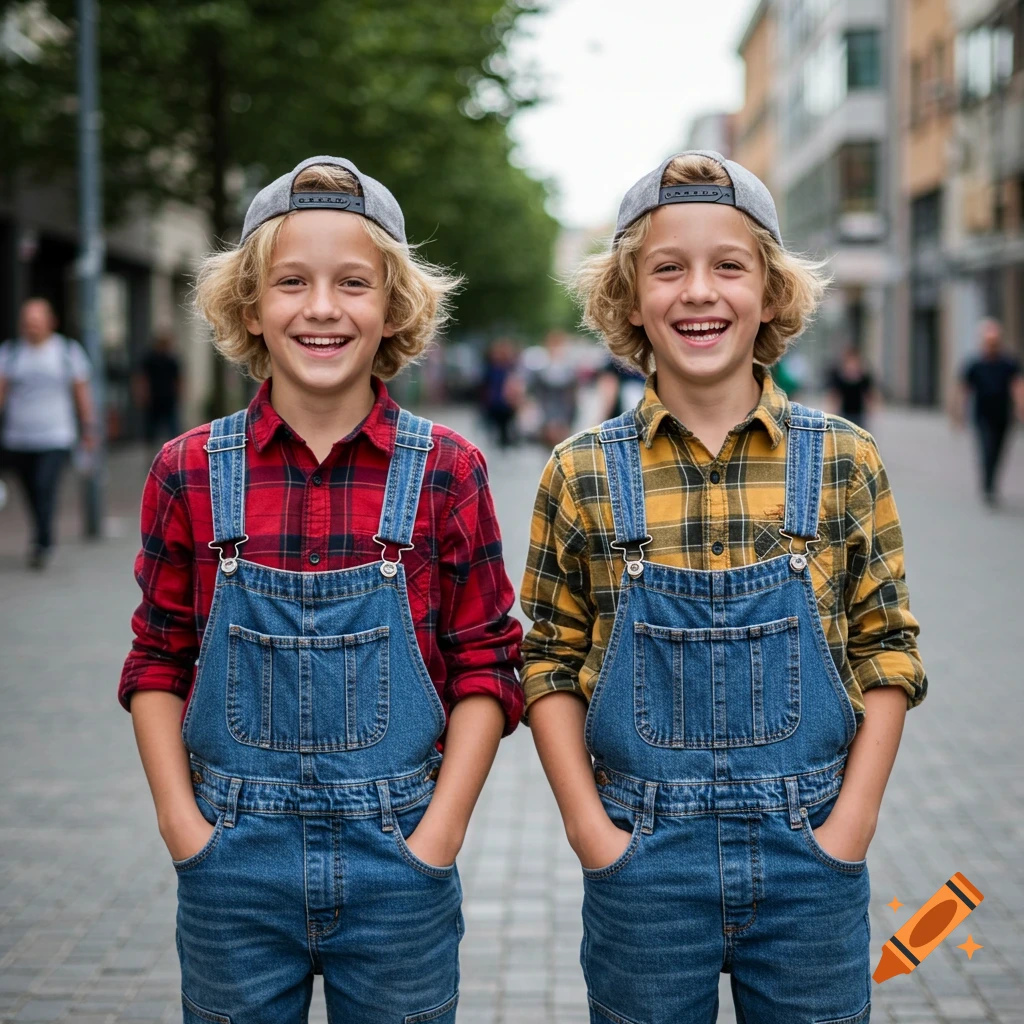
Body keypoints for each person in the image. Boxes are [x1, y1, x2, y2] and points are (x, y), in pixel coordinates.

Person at [520, 152, 927, 1024]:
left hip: (809, 858)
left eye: (728, 266)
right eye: (668, 268)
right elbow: (547, 661)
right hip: (643, 863)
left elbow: (887, 648)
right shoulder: (581, 472)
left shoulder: (844, 460)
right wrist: (594, 836)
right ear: (630, 298)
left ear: (771, 292)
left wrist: (847, 831)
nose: (698, 291)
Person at [119, 157, 524, 1023]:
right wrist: (182, 829)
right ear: (251, 307)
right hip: (233, 863)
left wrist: (438, 838)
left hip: (399, 863)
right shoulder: (188, 470)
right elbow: (157, 658)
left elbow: (489, 662)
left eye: (353, 283)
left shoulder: (448, 471)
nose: (322, 308)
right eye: (291, 282)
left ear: (393, 307)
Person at [0, 298, 96, 568]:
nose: (32, 327)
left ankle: (43, 542)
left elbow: (82, 393)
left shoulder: (67, 351)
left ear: (50, 322)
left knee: (45, 487)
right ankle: (41, 534)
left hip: (56, 436)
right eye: (27, 322)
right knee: (31, 491)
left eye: (37, 321)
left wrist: (89, 428)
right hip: (18, 438)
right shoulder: (11, 353)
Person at [956, 317, 1023, 506]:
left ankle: (992, 483)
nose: (992, 345)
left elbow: (1017, 386)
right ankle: (988, 486)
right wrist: (959, 413)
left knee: (999, 451)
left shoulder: (1008, 363)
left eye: (995, 341)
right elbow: (964, 390)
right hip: (982, 416)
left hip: (1002, 416)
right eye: (988, 341)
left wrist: (1020, 407)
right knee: (987, 448)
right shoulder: (975, 364)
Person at [135, 329, 182, 443]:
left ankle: (174, 448)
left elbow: (178, 379)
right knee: (151, 430)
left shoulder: (171, 359)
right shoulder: (150, 359)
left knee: (173, 428)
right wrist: (142, 394)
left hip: (168, 398)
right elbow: (142, 378)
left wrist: (179, 394)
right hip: (154, 398)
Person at [480, 337, 521, 448]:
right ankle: (502, 442)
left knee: (506, 424)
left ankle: (505, 442)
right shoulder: (490, 367)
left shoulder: (510, 367)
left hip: (506, 401)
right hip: (494, 401)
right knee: (496, 425)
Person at [828, 345, 877, 428]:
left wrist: (872, 409)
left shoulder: (864, 377)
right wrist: (832, 411)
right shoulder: (840, 376)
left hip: (859, 414)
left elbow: (869, 394)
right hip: (844, 413)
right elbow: (835, 395)